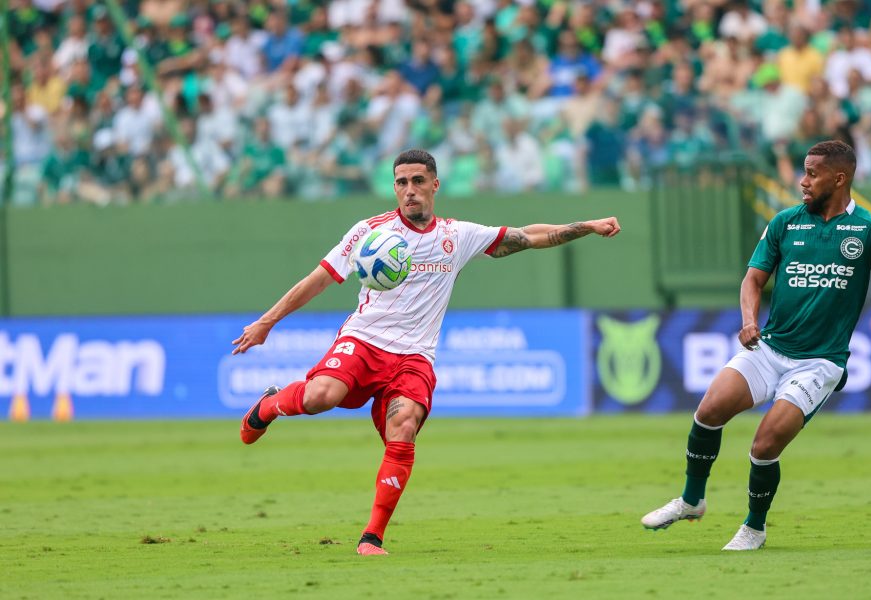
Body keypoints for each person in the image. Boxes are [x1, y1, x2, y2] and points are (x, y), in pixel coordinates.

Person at [232, 149, 621, 556]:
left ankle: (371, 537)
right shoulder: (371, 232)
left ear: (435, 184)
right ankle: (270, 405)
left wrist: (588, 226)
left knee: (404, 429)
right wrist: (266, 322)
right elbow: (318, 279)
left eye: (418, 181)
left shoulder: (456, 235)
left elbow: (528, 236)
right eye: (401, 182)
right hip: (364, 340)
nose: (409, 190)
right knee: (319, 397)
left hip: (415, 358)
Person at [640, 141, 871, 551]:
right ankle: (692, 500)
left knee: (764, 445)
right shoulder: (785, 223)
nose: (803, 180)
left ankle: (754, 528)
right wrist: (748, 321)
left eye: (812, 173)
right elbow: (753, 279)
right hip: (771, 347)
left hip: (820, 363)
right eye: (804, 171)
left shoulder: (870, 231)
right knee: (708, 411)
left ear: (839, 177)